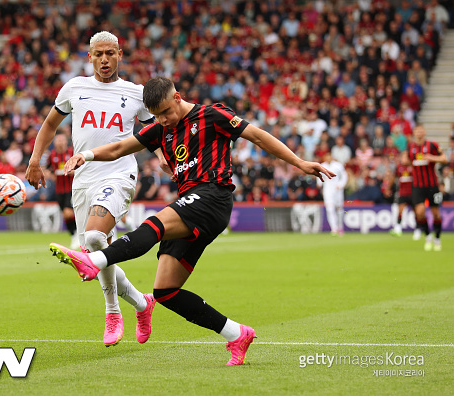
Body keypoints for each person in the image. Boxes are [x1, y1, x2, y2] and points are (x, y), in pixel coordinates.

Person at [49, 77, 334, 365]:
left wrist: (300, 163)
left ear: (177, 97)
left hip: (213, 196)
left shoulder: (212, 115)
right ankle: (236, 334)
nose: (162, 120)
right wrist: (86, 155)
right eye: (156, 115)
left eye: (165, 112)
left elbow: (258, 136)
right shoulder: (162, 130)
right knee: (165, 291)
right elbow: (119, 148)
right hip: (191, 201)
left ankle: (94, 261)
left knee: (155, 224)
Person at [25, 31, 161, 347]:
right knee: (98, 253)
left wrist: (166, 159)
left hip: (119, 174)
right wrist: (35, 160)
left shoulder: (137, 93)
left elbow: (159, 127)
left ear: (120, 55)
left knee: (96, 238)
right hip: (82, 180)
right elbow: (49, 124)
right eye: (98, 54)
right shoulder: (75, 88)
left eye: (110, 53)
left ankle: (112, 312)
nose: (104, 59)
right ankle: (142, 303)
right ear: (90, 57)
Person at [408, 125, 447, 251]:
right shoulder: (411, 147)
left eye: (421, 130)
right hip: (417, 186)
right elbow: (408, 162)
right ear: (414, 133)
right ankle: (428, 235)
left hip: (432, 185)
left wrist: (432, 158)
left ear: (424, 132)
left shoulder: (432, 145)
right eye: (416, 130)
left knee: (436, 214)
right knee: (419, 213)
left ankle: (437, 238)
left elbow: (444, 158)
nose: (419, 132)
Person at [48, 133, 78, 249]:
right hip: (59, 190)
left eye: (61, 140)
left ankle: (77, 235)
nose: (59, 142)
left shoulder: (72, 153)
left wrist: (74, 172)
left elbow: (83, 167)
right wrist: (50, 175)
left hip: (71, 188)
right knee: (66, 216)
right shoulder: (52, 155)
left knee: (68, 212)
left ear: (66, 142)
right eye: (57, 140)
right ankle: (73, 235)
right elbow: (48, 169)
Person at [390, 151, 421, 239]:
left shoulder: (414, 167)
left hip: (413, 193)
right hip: (402, 193)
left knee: (416, 212)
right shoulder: (399, 167)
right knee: (400, 210)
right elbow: (394, 177)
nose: (403, 159)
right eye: (402, 157)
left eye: (405, 157)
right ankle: (398, 228)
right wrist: (389, 187)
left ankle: (417, 229)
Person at [317, 152, 348, 236]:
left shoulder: (338, 165)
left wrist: (341, 185)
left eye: (329, 156)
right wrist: (319, 183)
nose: (328, 158)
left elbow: (344, 176)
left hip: (337, 190)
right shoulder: (322, 166)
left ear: (332, 157)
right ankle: (334, 228)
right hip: (327, 190)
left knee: (339, 209)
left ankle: (340, 227)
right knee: (330, 209)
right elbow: (319, 176)